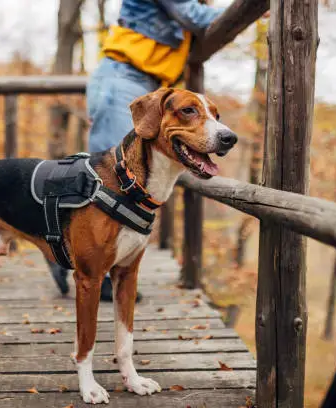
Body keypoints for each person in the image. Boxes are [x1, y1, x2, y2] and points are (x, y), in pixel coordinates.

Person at [49, 0, 224, 301]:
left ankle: (93, 259)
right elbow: (195, 17)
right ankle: (65, 250)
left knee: (125, 179)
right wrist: (256, 7)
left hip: (142, 83)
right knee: (109, 177)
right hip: (124, 80)